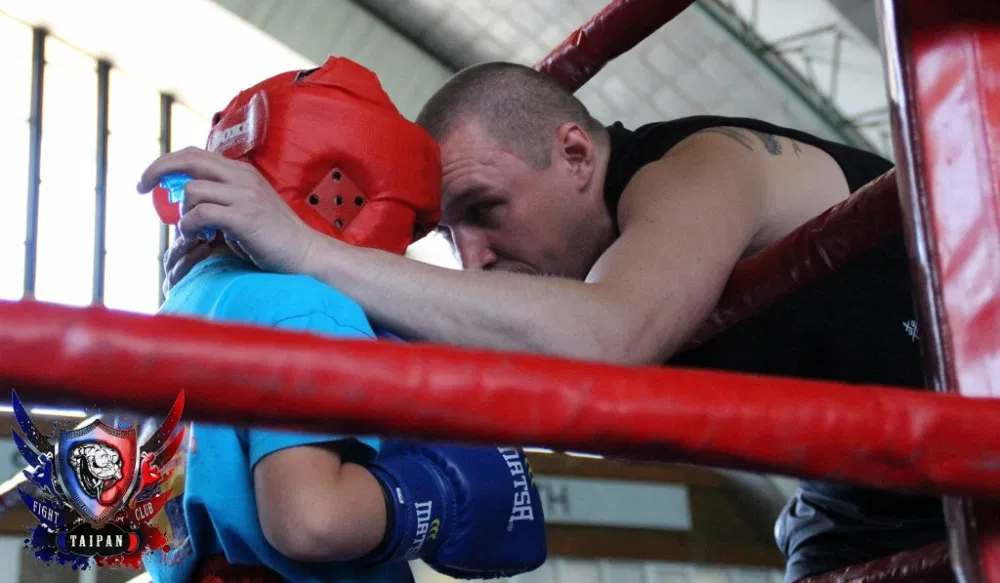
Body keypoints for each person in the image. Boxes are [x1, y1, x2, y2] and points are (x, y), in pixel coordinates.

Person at [139, 60, 946, 582]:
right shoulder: (553, 282)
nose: (474, 257)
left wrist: (305, 250)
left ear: (575, 153)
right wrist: (223, 275)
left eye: (486, 211)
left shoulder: (704, 168)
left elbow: (608, 338)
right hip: (866, 495)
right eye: (450, 235)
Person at [141, 57, 546, 583]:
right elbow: (311, 522)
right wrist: (436, 496)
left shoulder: (172, 315)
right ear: (347, 192)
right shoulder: (308, 307)